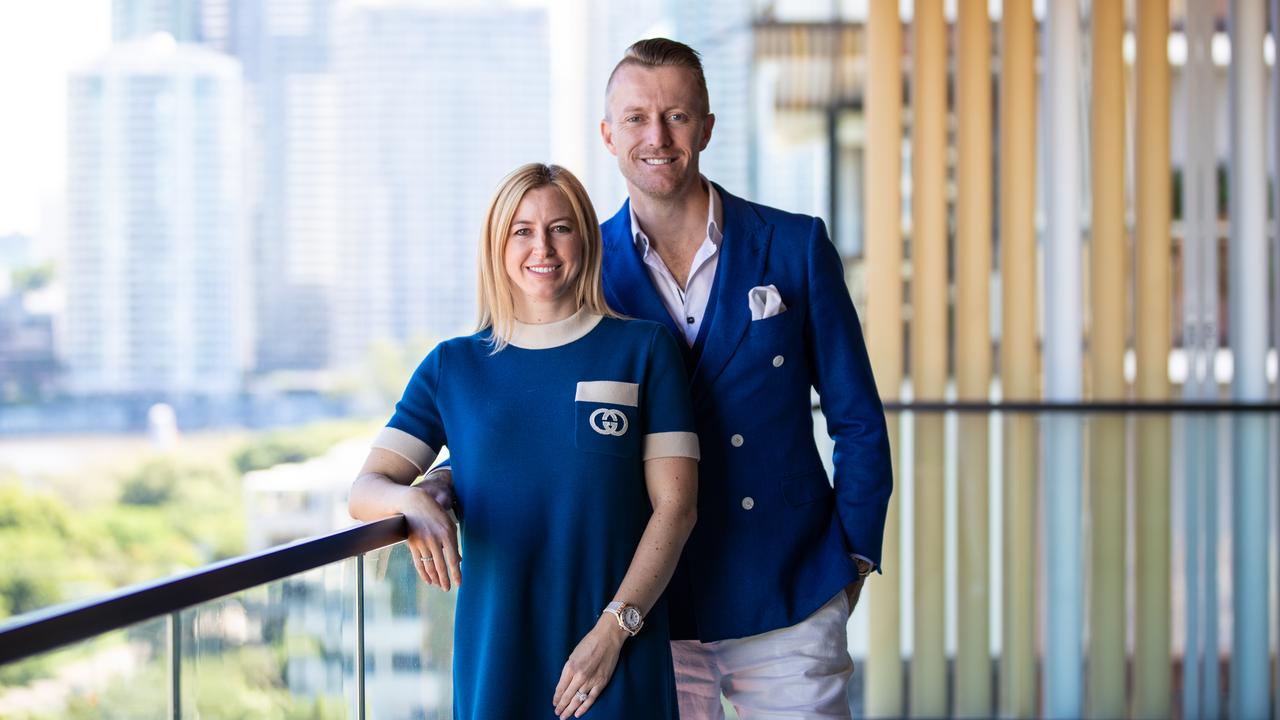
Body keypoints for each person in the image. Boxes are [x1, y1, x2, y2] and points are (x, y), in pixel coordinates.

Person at [426, 39, 892, 719]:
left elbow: (857, 418)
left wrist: (852, 557)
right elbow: (520, 397)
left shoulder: (794, 245)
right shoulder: (578, 268)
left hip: (790, 587)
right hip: (649, 607)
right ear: (609, 135)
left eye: (677, 116)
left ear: (707, 126)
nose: (658, 136)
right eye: (637, 119)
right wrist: (444, 477)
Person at [349, 163, 699, 720]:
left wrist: (613, 631)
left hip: (615, 651)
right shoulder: (452, 366)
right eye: (523, 230)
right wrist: (412, 499)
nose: (544, 246)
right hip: (497, 656)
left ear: (585, 237)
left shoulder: (643, 350)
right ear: (498, 244)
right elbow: (365, 489)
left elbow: (677, 507)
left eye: (561, 227)